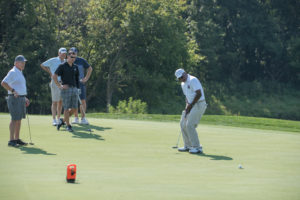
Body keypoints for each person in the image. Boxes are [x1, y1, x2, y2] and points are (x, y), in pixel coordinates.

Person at [175, 68, 207, 154]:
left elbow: (199, 94)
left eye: (182, 77)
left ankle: (197, 147)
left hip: (199, 104)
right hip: (191, 104)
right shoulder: (182, 84)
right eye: (179, 78)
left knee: (190, 125)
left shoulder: (193, 80)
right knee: (182, 123)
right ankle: (188, 145)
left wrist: (191, 105)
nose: (181, 79)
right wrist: (187, 106)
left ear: (185, 73)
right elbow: (187, 95)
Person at [1, 55, 30, 147]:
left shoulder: (19, 72)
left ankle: (17, 139)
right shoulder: (13, 72)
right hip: (14, 98)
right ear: (16, 63)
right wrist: (13, 91)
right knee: (14, 119)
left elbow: (20, 87)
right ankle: (11, 140)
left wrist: (24, 97)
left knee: (19, 119)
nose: (23, 64)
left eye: (24, 62)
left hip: (20, 98)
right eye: (22, 62)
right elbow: (3, 83)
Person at [53, 48, 79, 132]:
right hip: (66, 89)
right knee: (66, 108)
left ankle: (62, 120)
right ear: (68, 56)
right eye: (71, 57)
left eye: (74, 57)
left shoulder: (75, 67)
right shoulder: (62, 66)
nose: (73, 59)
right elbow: (54, 76)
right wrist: (60, 85)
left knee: (75, 108)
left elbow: (77, 79)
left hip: (74, 89)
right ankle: (68, 125)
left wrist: (78, 89)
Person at [41, 48, 67, 126]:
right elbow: (42, 65)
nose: (63, 55)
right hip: (55, 83)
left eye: (64, 54)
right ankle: (54, 119)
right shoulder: (53, 60)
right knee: (55, 101)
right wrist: (50, 73)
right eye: (62, 53)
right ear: (59, 53)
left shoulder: (66, 61)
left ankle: (59, 119)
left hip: (63, 83)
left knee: (60, 102)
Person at [69, 47, 93, 125]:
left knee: (82, 101)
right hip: (71, 84)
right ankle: (76, 118)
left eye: (74, 53)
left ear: (76, 54)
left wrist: (86, 78)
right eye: (71, 53)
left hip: (80, 84)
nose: (72, 55)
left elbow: (90, 68)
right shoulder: (68, 61)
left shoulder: (81, 61)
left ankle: (83, 119)